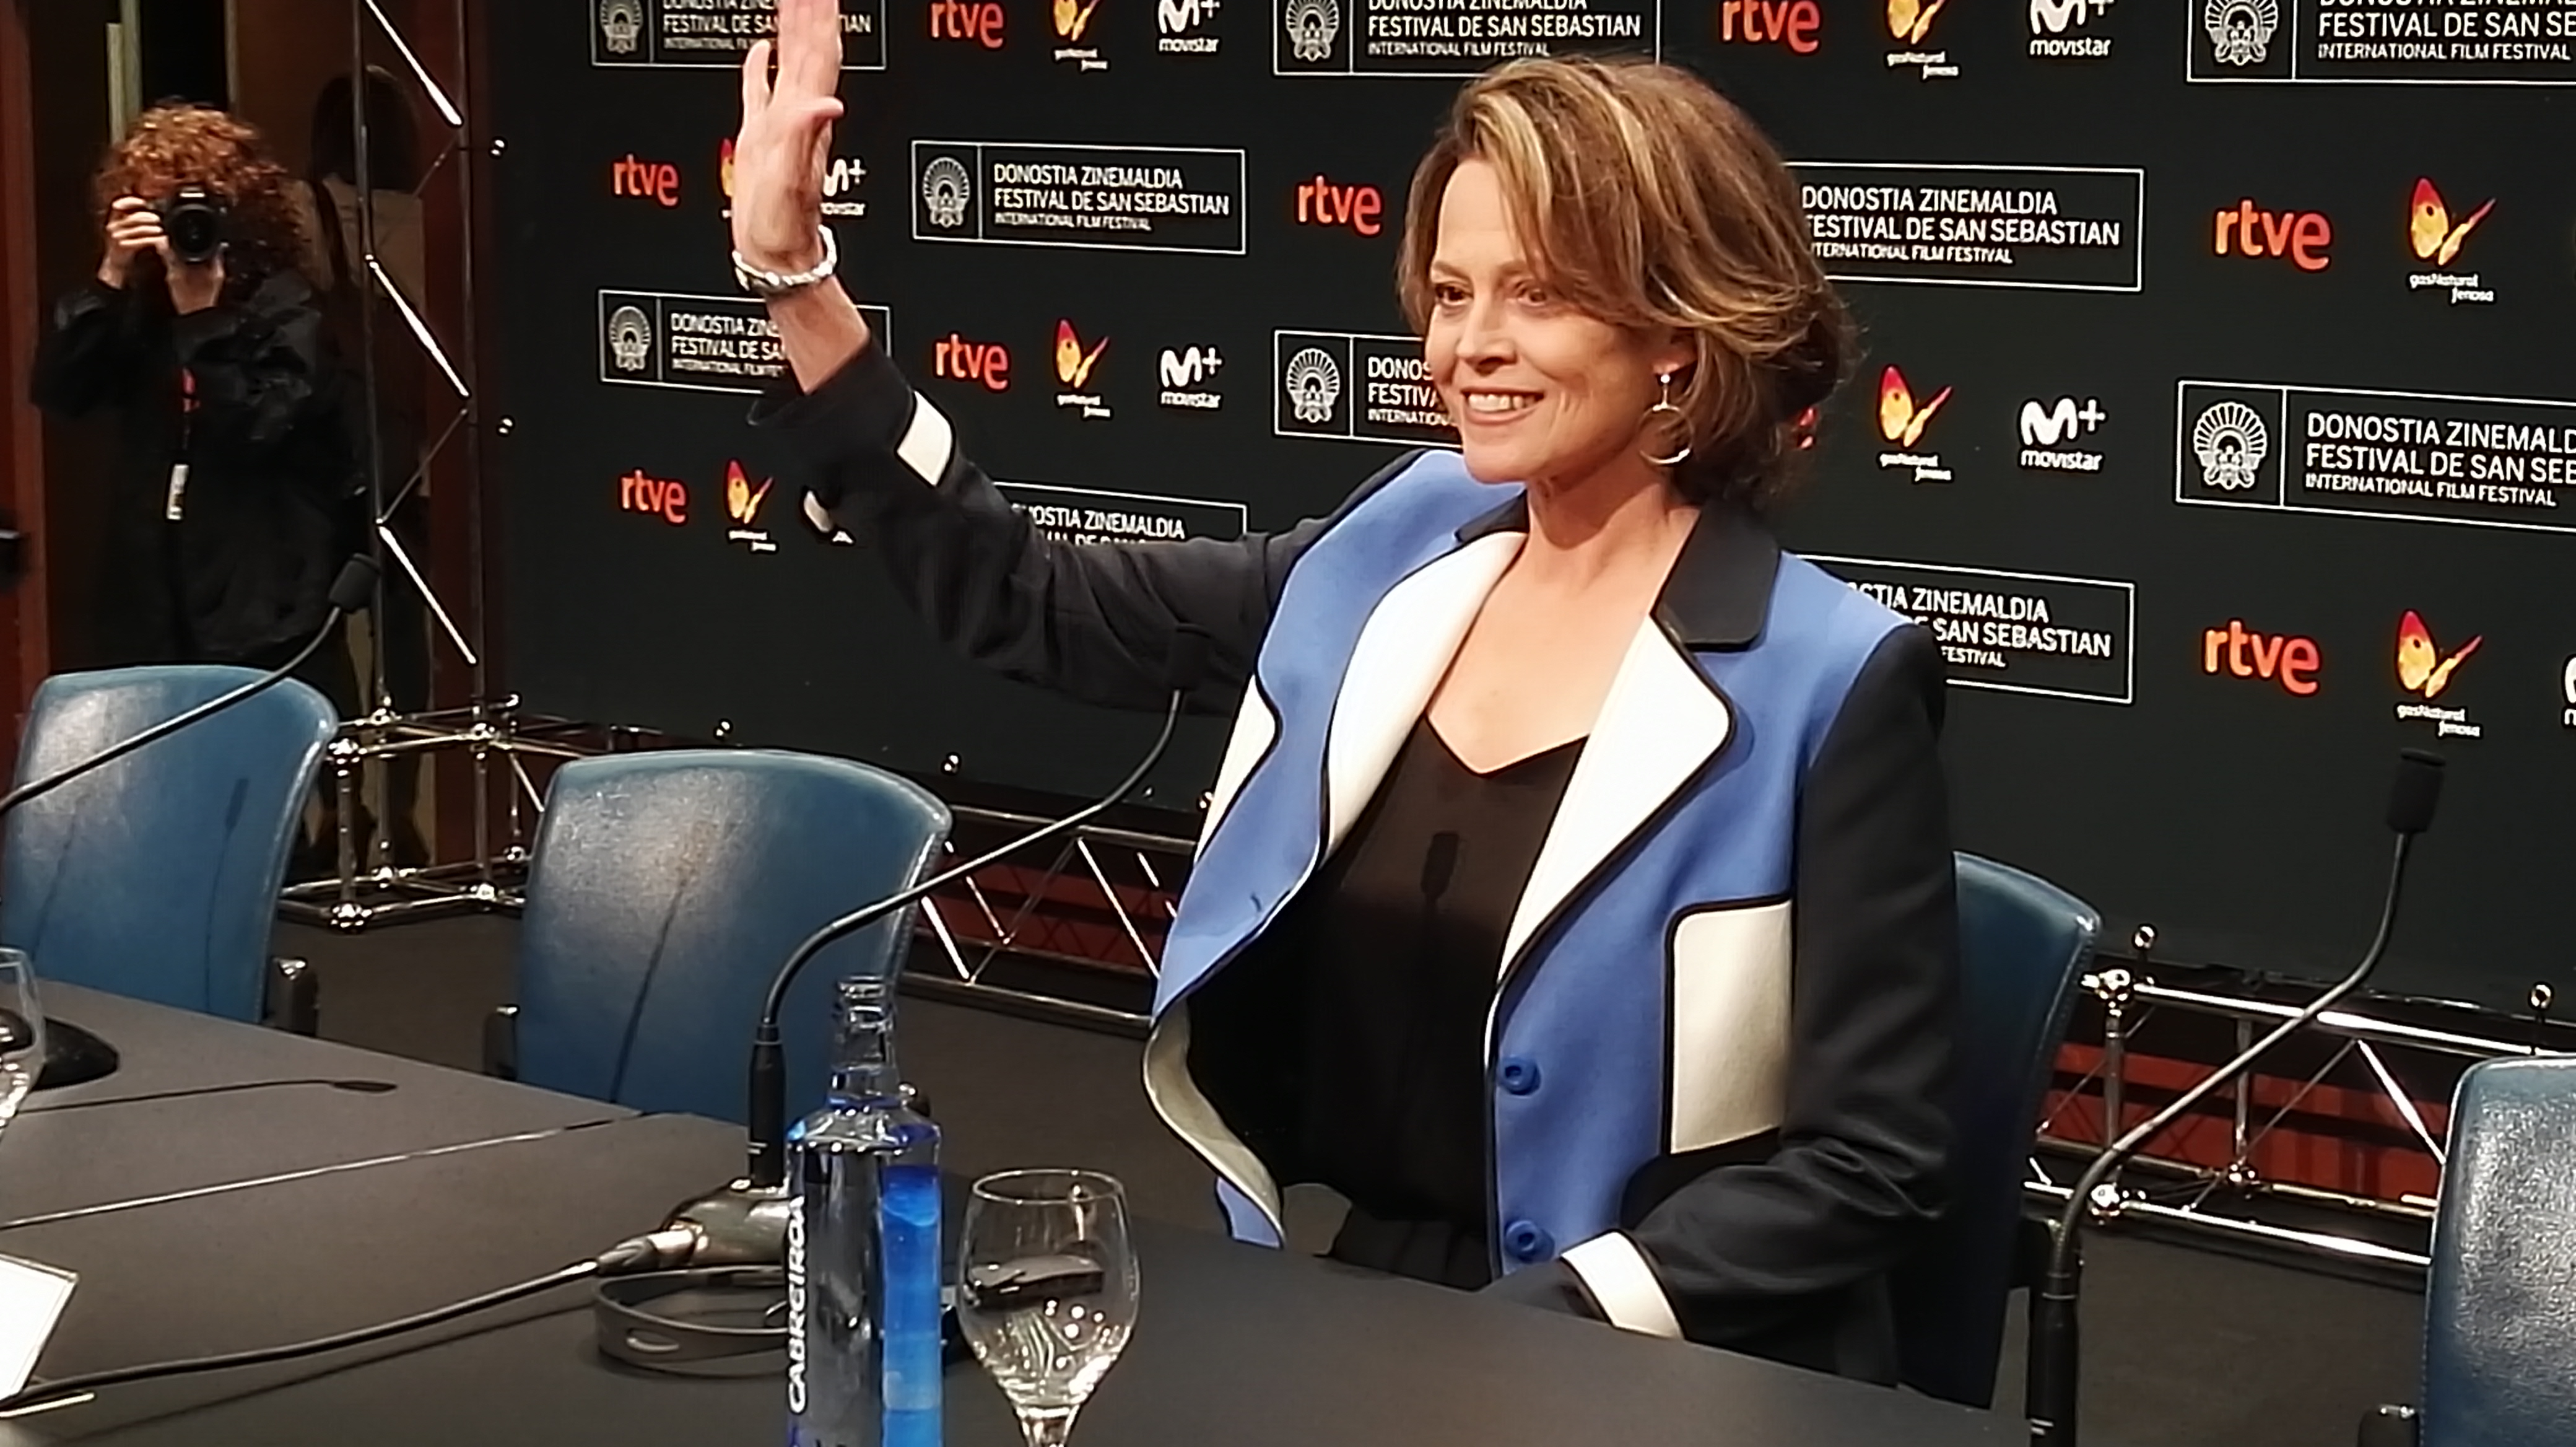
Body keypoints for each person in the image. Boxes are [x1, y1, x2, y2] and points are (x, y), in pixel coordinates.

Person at [734, 0, 1958, 1384]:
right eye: (1451, 293)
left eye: (1536, 295)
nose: (1468, 345)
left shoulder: (1830, 679)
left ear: (1676, 332)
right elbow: (1032, 600)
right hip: (1383, 1308)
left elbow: (1874, 1162)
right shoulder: (1393, 550)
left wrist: (1552, 1321)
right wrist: (797, 281)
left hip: (1666, 1353)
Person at [29, 103, 362, 697]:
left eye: (195, 206)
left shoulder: (286, 307)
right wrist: (111, 274)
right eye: (157, 208)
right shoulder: (141, 310)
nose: (182, 227)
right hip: (155, 605)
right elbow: (60, 392)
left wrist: (204, 320)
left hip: (261, 604)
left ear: (238, 210)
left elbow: (257, 427)